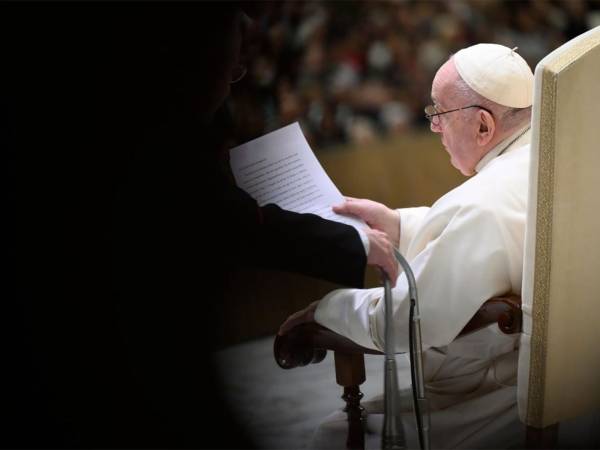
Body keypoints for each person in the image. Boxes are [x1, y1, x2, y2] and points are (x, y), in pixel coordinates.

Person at [4, 2, 398, 449]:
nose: (228, 90)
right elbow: (231, 221)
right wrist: (350, 240)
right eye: (228, 73)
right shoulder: (159, 136)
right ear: (189, 66)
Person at [279, 43, 534, 449]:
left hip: (499, 401)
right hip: (572, 390)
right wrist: (398, 225)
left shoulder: (482, 202)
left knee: (331, 437)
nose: (434, 128)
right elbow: (495, 230)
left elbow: (408, 320)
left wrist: (325, 311)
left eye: (439, 114)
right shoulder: (556, 161)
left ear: (484, 126)